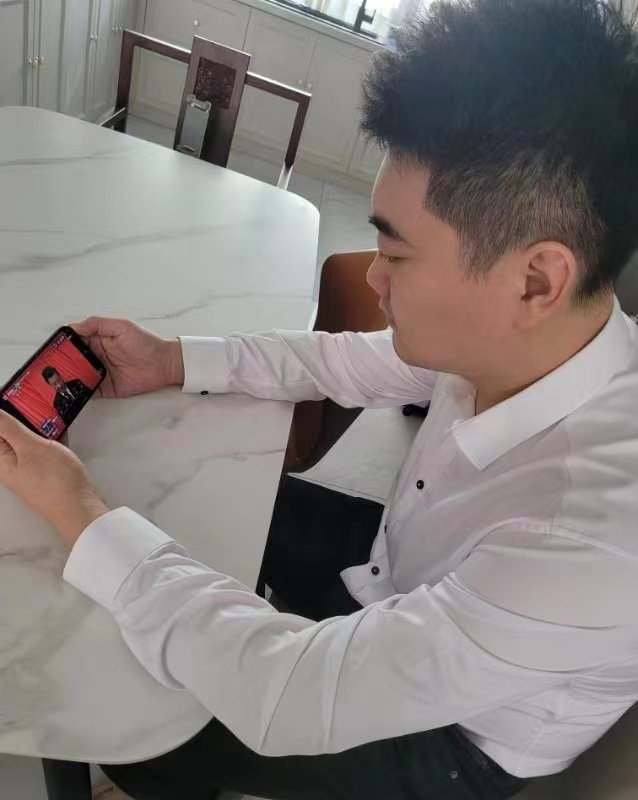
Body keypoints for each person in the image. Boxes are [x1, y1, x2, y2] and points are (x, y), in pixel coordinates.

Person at [1, 0, 638, 797]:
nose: (373, 278)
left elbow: (287, 694)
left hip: (453, 741)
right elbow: (350, 363)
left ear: (536, 279)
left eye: (396, 254)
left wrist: (81, 512)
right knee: (172, 518)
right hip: (399, 562)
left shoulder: (588, 544)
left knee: (150, 730)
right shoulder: (535, 336)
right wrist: (171, 358)